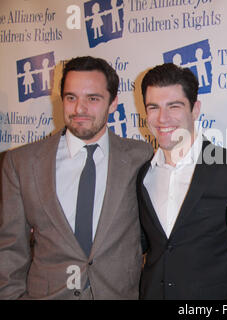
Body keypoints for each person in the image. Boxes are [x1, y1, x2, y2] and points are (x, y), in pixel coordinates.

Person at [0, 56, 153, 299]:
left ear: (113, 103)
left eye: (92, 99)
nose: (79, 109)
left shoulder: (141, 157)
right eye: (71, 97)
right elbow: (9, 248)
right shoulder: (21, 163)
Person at [138, 63, 227, 299]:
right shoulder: (143, 176)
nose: (162, 118)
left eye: (174, 106)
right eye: (153, 107)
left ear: (195, 109)